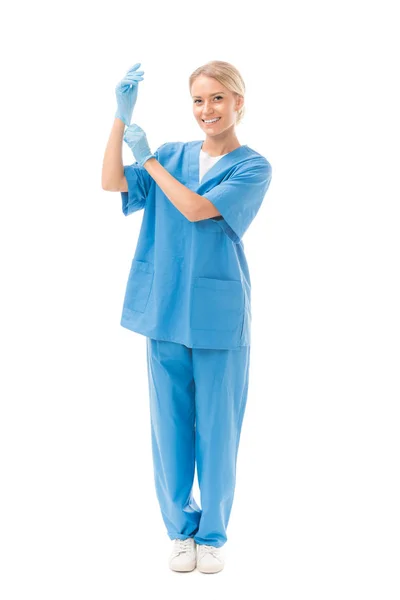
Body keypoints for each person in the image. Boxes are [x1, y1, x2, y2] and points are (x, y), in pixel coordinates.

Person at [101, 60, 272, 574]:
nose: (207, 110)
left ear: (239, 102)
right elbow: (112, 182)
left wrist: (148, 161)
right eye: (198, 100)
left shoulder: (253, 166)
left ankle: (212, 535)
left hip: (219, 317)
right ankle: (180, 532)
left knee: (218, 429)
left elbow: (197, 209)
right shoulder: (173, 154)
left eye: (218, 98)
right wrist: (118, 118)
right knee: (170, 426)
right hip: (165, 309)